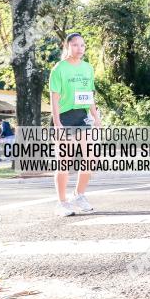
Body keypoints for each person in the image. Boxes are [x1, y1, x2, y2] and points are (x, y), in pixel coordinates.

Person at [49, 32, 102, 217]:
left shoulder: (88, 68)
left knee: (91, 157)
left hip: (82, 117)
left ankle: (78, 195)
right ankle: (62, 203)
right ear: (67, 47)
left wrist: (96, 117)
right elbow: (54, 98)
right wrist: (57, 123)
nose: (79, 49)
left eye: (82, 45)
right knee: (65, 161)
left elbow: (89, 95)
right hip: (64, 118)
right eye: (75, 45)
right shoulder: (59, 69)